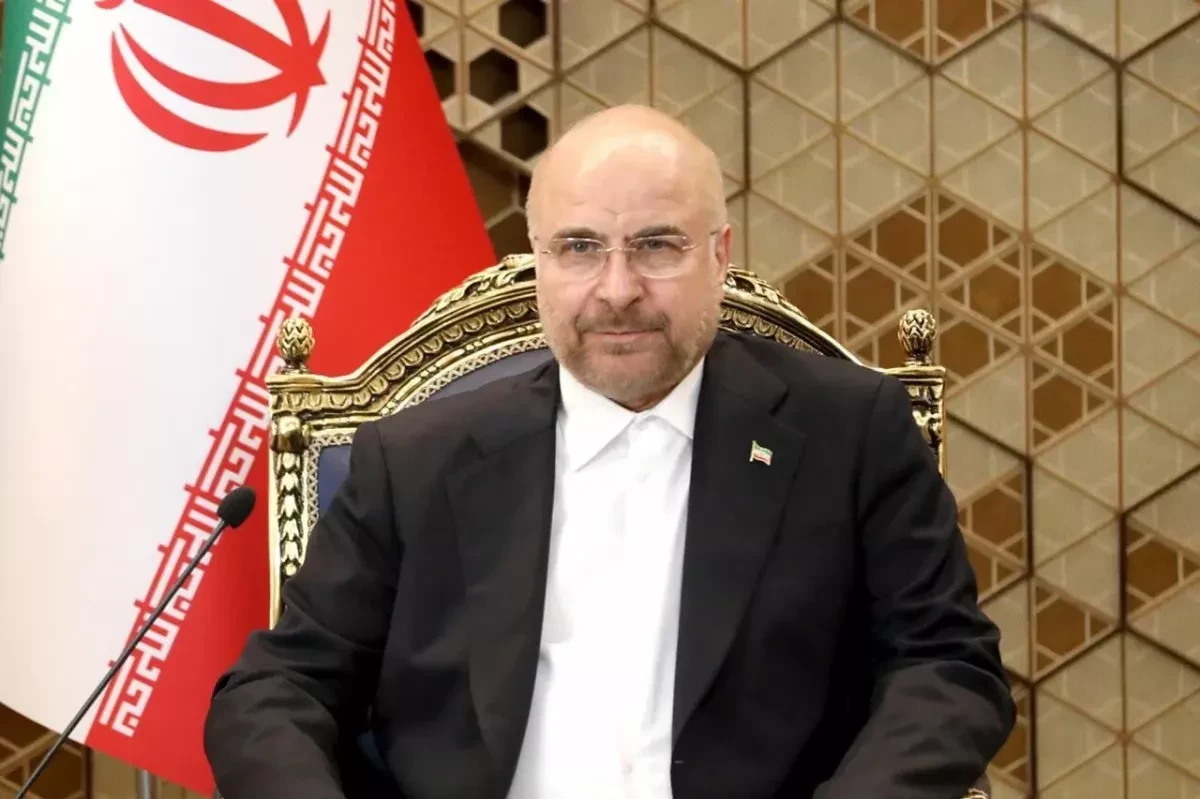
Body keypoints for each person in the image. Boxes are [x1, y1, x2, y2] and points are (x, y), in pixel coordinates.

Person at [204, 104, 1015, 799]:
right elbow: (277, 688)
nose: (618, 289)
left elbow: (947, 664)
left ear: (721, 255)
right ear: (538, 261)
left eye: (657, 245)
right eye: (580, 247)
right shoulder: (418, 460)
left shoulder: (849, 432)